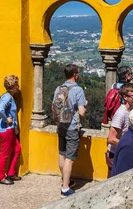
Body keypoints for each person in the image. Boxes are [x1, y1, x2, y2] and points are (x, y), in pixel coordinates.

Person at [54, 64, 87, 197]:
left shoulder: (59, 88)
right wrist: (85, 105)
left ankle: (65, 179)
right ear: (75, 74)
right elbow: (82, 112)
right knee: (70, 158)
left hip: (60, 124)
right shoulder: (78, 90)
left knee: (62, 154)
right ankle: (65, 188)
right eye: (77, 73)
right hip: (72, 127)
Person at [106, 83, 133, 177]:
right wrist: (130, 146)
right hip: (116, 155)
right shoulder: (121, 114)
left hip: (123, 153)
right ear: (125, 97)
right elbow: (111, 139)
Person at [0, 75, 22, 185]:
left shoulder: (8, 96)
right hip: (5, 130)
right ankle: (1, 177)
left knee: (17, 149)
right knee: (5, 154)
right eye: (16, 85)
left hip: (10, 129)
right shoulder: (7, 97)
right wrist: (7, 120)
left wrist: (15, 127)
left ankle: (11, 173)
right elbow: (0, 109)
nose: (18, 86)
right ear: (12, 86)